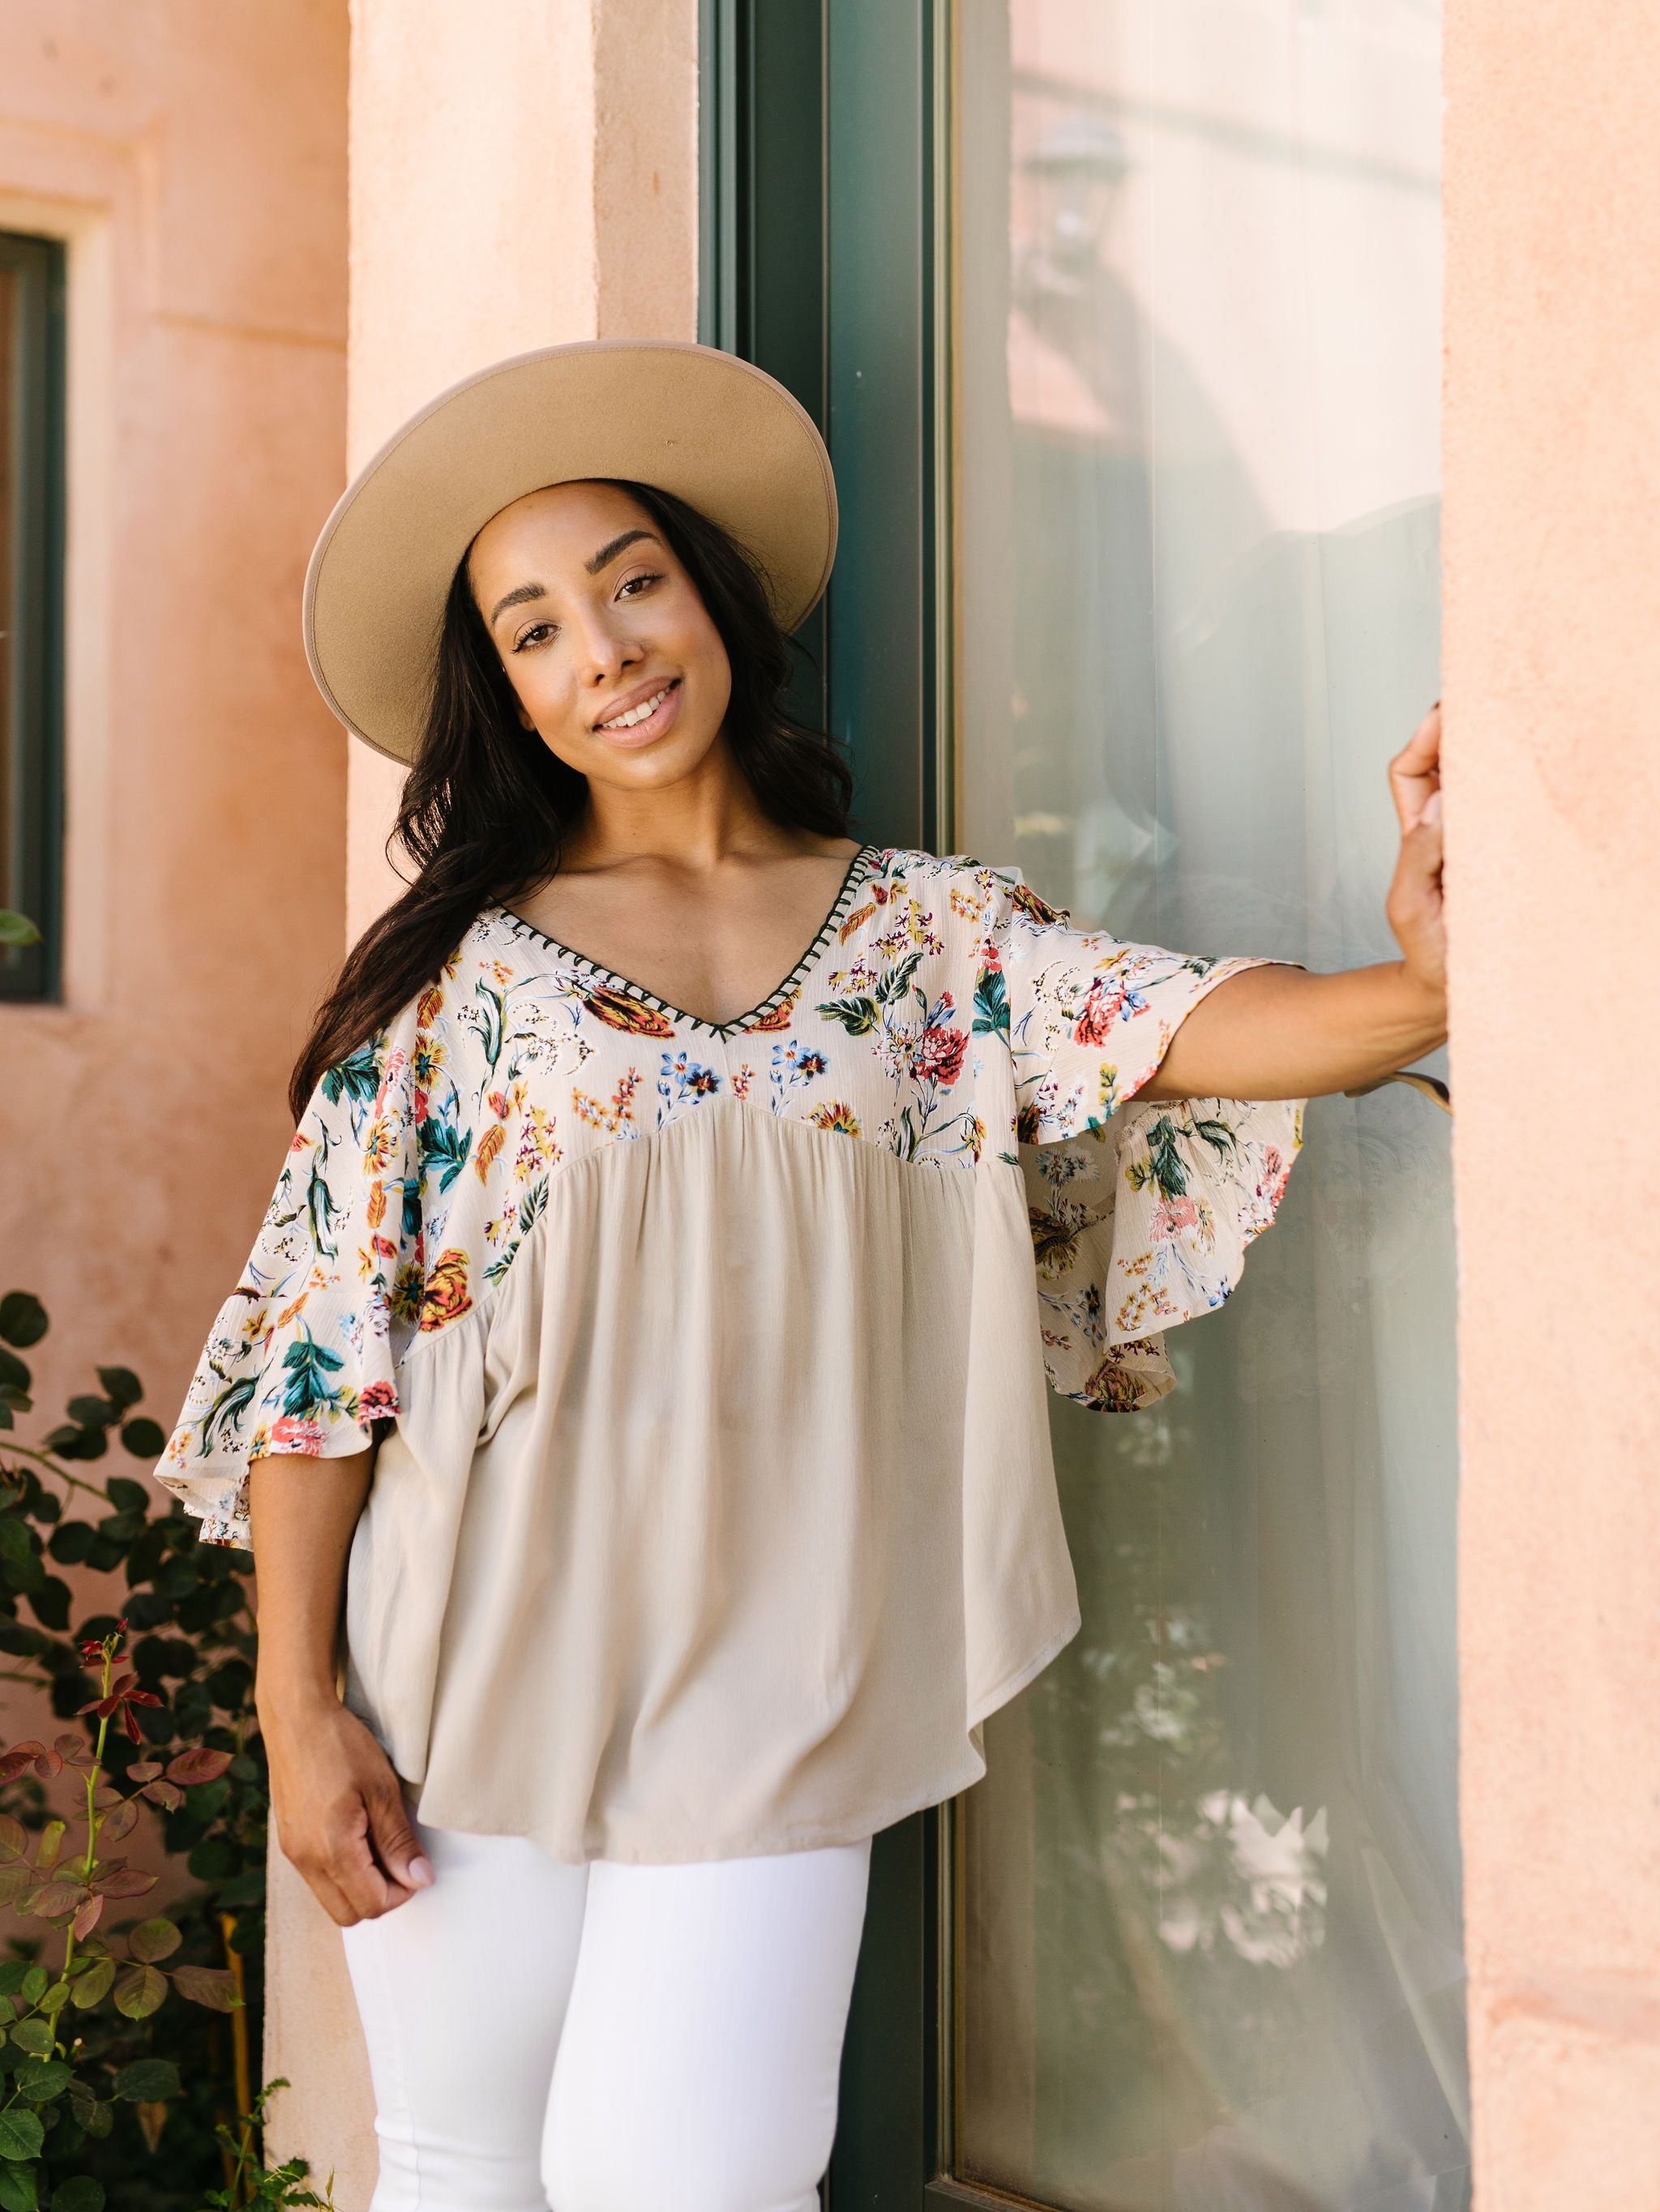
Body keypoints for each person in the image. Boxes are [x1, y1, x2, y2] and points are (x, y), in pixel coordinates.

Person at [158, 343, 1447, 2212]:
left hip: (781, 1678)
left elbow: (1177, 1024)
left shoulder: (932, 936)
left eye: (629, 582)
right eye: (531, 632)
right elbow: (316, 1362)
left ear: (708, 598)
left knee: (681, 2185)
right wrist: (299, 1713)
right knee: (457, 2174)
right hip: (457, 1671)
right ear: (501, 698)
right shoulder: (454, 991)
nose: (600, 651)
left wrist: (1414, 985)